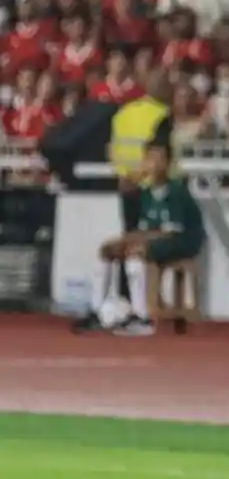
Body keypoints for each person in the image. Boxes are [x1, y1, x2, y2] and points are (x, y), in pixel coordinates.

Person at [72, 71, 172, 334]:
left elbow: (113, 149)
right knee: (112, 248)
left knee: (132, 248)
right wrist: (139, 175)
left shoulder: (125, 113)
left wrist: (124, 173)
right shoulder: (162, 115)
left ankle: (140, 315)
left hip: (133, 188)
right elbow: (157, 153)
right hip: (141, 186)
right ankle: (101, 309)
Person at [80, 143, 205, 336]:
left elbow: (172, 231)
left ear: (168, 164)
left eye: (158, 159)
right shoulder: (146, 193)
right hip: (156, 239)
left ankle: (143, 318)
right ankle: (96, 310)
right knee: (107, 250)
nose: (152, 164)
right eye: (149, 159)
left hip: (184, 241)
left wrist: (135, 241)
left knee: (136, 251)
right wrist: (123, 241)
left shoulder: (177, 191)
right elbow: (144, 227)